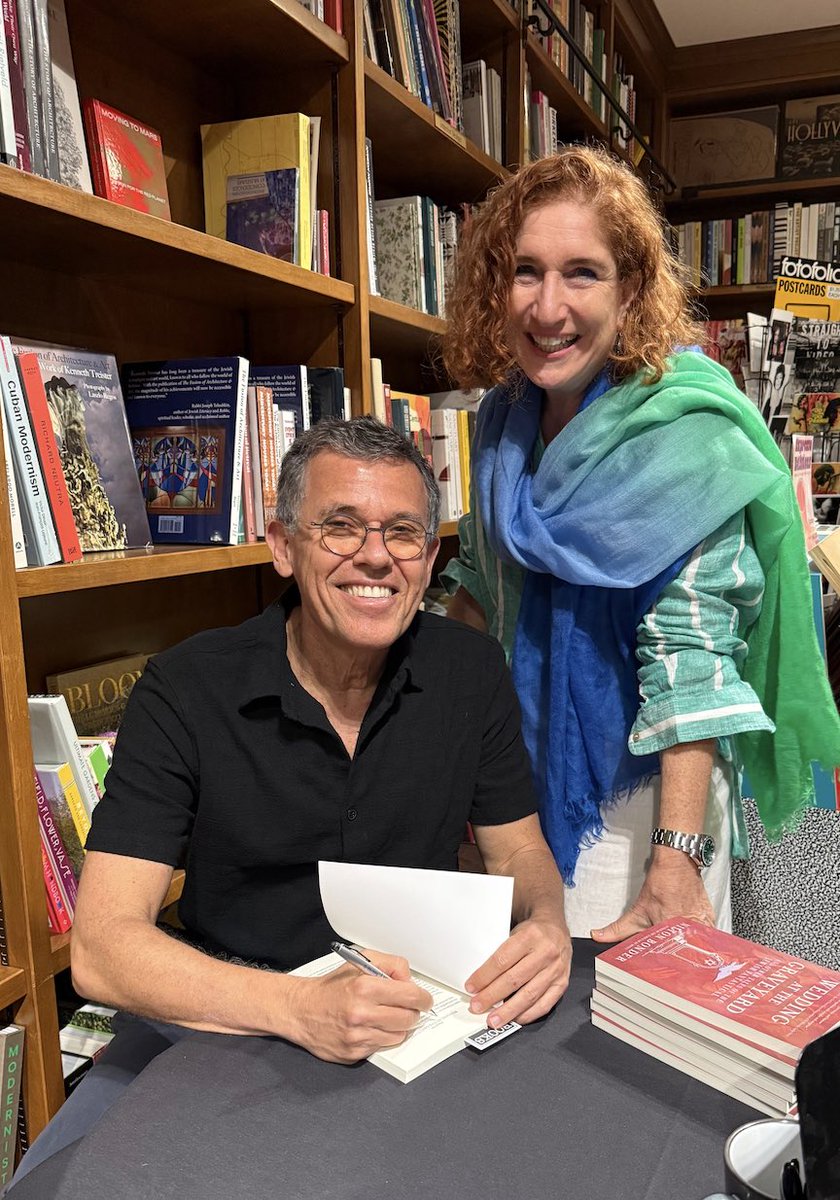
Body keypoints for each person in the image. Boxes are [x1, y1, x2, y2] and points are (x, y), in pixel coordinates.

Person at [9, 416, 570, 1188]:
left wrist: (547, 922)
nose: (375, 555)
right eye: (340, 527)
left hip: (419, 1021)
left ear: (430, 556)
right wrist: (299, 1009)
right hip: (220, 1020)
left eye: (404, 532)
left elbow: (520, 852)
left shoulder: (471, 671)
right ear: (282, 545)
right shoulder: (186, 688)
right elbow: (103, 949)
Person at [439, 145, 840, 945]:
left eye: (582, 272)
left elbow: (692, 653)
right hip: (515, 778)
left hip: (644, 805)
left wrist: (676, 857)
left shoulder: (685, 432)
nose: (547, 307)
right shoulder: (499, 423)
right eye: (525, 270)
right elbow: (482, 586)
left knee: (624, 1037)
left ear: (629, 291)